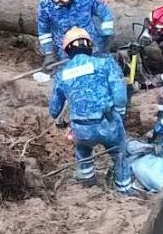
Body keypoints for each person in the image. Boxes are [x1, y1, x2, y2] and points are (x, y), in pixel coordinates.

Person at [48, 27, 132, 193]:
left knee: (83, 151)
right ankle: (124, 189)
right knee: (120, 154)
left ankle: (87, 185)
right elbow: (120, 95)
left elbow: (54, 109)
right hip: (107, 123)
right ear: (89, 46)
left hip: (81, 128)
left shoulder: (62, 73)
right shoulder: (106, 63)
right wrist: (120, 115)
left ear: (67, 50)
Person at [37, 0, 115, 66]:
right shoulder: (46, 6)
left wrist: (107, 34)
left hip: (91, 46)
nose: (62, 2)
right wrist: (49, 53)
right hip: (65, 51)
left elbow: (105, 14)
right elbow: (44, 31)